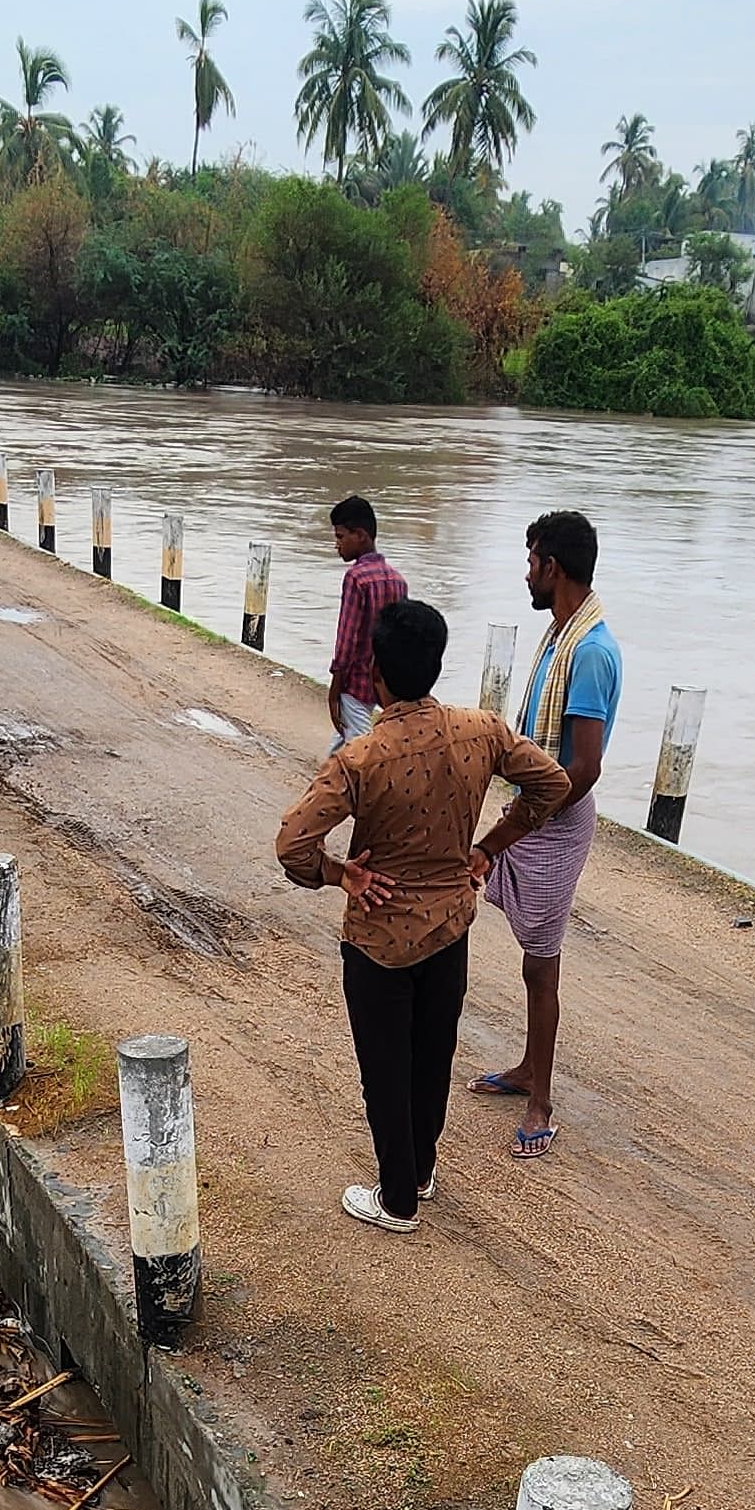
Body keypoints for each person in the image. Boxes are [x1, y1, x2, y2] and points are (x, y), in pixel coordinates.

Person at [274, 601, 571, 1235]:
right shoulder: (481, 730)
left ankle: (396, 1200)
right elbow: (553, 784)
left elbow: (293, 846)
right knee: (433, 1055)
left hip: (378, 938)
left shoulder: (359, 758)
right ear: (435, 665)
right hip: (450, 926)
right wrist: (490, 845)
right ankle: (422, 1172)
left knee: (385, 1067)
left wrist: (339, 873)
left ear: (376, 673)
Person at [472, 511, 617, 1158]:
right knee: (534, 959)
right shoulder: (562, 636)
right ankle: (529, 1069)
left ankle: (541, 1098)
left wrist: (520, 821)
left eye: (531, 561)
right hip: (538, 808)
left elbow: (583, 767)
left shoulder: (589, 651)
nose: (525, 573)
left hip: (556, 821)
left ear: (552, 568)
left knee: (542, 964)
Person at [325, 497, 405, 747]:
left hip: (355, 684)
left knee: (357, 749)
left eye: (340, 537)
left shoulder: (356, 578)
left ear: (360, 535)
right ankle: (326, 783)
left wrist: (335, 689)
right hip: (383, 685)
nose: (336, 545)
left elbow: (346, 641)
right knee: (341, 746)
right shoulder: (397, 580)